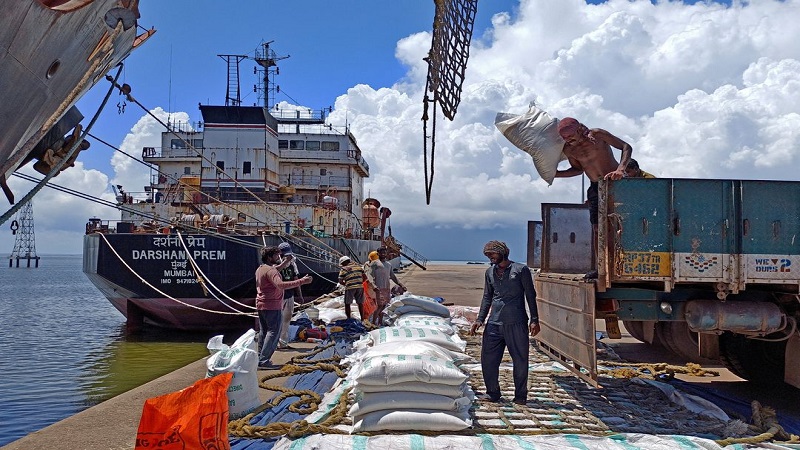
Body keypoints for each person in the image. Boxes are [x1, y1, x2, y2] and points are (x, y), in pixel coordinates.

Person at [554, 117, 633, 279]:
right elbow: (578, 170)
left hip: (616, 183)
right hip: (596, 187)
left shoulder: (597, 135)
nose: (568, 140)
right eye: (564, 138)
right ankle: (601, 267)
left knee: (623, 225)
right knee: (597, 228)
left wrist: (621, 169)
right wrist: (556, 174)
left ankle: (628, 263)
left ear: (579, 130)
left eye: (570, 136)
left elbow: (626, 147)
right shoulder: (569, 150)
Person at [469, 240, 539, 405]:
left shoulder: (520, 270)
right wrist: (480, 319)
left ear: (502, 252)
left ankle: (520, 396)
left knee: (520, 360)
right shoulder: (489, 272)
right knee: (488, 360)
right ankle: (492, 393)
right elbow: (487, 297)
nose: (490, 257)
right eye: (487, 255)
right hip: (494, 323)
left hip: (517, 322)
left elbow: (530, 295)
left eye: (492, 254)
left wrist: (535, 320)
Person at [255, 246, 312, 369]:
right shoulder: (271, 271)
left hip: (261, 304)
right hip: (272, 305)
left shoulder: (261, 269)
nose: (278, 257)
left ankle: (259, 358)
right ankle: (264, 361)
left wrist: (286, 262)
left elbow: (274, 270)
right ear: (269, 257)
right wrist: (302, 281)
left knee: (263, 332)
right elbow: (280, 285)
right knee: (273, 332)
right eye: (276, 255)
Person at [365, 247, 406, 324]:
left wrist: (401, 285)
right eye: (381, 252)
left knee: (384, 307)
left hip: (386, 288)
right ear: (378, 254)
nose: (383, 254)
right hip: (378, 288)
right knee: (379, 306)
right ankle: (373, 323)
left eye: (384, 252)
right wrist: (373, 285)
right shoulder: (375, 263)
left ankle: (380, 322)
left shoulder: (388, 264)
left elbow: (393, 276)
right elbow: (369, 275)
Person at [277, 242, 303, 349]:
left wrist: (300, 295)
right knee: (276, 321)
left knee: (286, 320)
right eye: (285, 255)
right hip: (277, 297)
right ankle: (274, 343)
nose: (288, 257)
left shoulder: (292, 265)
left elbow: (296, 280)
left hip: (289, 295)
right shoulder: (275, 265)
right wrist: (284, 262)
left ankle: (283, 343)